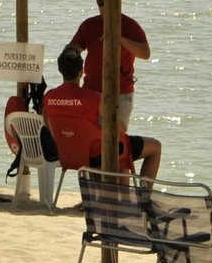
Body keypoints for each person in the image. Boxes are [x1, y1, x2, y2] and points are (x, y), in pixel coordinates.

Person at [43, 48, 161, 181]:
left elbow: (48, 125)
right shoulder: (94, 98)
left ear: (60, 70)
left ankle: (100, 196)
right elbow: (121, 127)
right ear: (81, 71)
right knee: (155, 147)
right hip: (97, 155)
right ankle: (145, 197)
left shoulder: (48, 97)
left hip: (68, 155)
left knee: (113, 145)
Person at [67, 0, 150, 132]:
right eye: (100, 2)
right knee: (89, 136)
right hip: (91, 90)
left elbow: (145, 53)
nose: (104, 6)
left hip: (120, 92)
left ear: (117, 0)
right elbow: (71, 51)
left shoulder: (129, 25)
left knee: (116, 138)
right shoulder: (90, 25)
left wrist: (120, 39)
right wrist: (73, 79)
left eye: (108, 2)